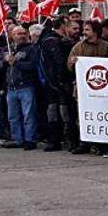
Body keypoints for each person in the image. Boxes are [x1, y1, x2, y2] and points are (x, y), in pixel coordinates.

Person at [66, 20, 108, 155]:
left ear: (95, 31)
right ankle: (84, 143)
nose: (84, 32)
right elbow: (69, 66)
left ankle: (100, 144)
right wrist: (73, 63)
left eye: (87, 30)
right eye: (84, 30)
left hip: (102, 91)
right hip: (83, 90)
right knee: (83, 117)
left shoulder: (106, 46)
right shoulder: (78, 47)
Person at [40, 18, 78, 151]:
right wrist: (60, 81)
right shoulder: (51, 41)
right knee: (59, 112)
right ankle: (56, 140)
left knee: (64, 112)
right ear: (63, 26)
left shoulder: (61, 41)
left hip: (57, 82)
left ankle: (66, 140)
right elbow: (58, 62)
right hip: (56, 83)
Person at [3, 25, 42, 150]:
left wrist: (16, 63)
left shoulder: (32, 49)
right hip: (11, 88)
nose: (22, 36)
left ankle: (30, 139)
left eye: (24, 33)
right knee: (13, 116)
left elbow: (32, 66)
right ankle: (17, 139)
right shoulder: (7, 50)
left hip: (26, 86)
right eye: (18, 34)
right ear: (12, 36)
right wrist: (5, 61)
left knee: (28, 115)